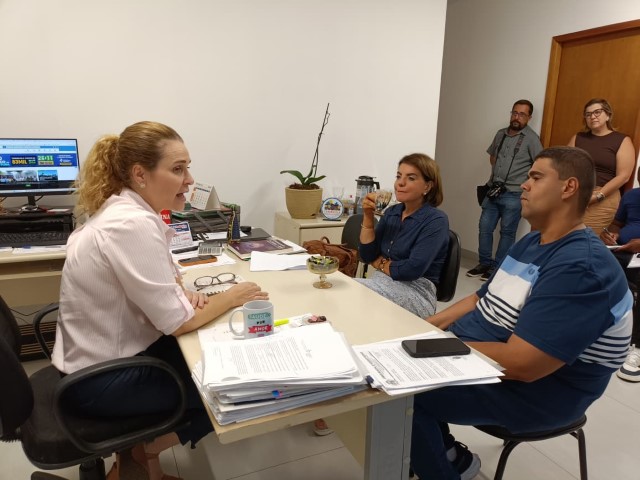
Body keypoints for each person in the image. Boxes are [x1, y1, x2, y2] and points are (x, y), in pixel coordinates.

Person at [51, 121, 269, 480]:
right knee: (236, 380)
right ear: (140, 174)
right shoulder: (130, 224)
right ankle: (148, 449)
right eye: (178, 169)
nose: (190, 180)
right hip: (97, 383)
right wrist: (233, 296)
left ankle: (141, 458)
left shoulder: (125, 211)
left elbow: (151, 285)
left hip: (95, 364)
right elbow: (180, 322)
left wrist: (179, 293)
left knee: (213, 349)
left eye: (188, 168)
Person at [410, 147, 632, 480]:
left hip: (540, 393)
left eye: (536, 177)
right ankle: (449, 457)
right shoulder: (531, 242)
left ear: (569, 187)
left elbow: (522, 365)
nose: (524, 185)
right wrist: (421, 329)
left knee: (403, 393)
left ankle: (439, 466)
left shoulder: (582, 267)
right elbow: (478, 299)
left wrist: (437, 349)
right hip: (488, 361)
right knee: (397, 370)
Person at [356, 153, 449, 318]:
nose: (400, 183)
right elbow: (367, 255)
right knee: (345, 290)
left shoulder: (436, 220)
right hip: (381, 282)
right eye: (399, 176)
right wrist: (368, 216)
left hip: (417, 293)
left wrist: (379, 263)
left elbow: (411, 269)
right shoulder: (392, 212)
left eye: (411, 178)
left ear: (427, 187)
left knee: (352, 291)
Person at [467, 100, 543, 282]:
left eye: (522, 114)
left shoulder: (532, 139)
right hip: (493, 190)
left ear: (529, 117)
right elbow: (493, 157)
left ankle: (497, 268)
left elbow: (539, 164)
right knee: (484, 228)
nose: (517, 117)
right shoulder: (500, 134)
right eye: (514, 113)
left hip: (514, 194)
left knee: (507, 232)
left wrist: (526, 182)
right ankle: (483, 263)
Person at [568, 98, 635, 236]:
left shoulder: (622, 140)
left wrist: (597, 196)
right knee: (563, 238)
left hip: (604, 197)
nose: (592, 116)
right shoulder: (578, 138)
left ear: (608, 115)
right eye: (588, 114)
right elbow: (564, 166)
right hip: (575, 194)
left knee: (586, 240)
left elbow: (624, 176)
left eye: (597, 112)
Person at [600, 169, 640, 382]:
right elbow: (617, 223)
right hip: (622, 250)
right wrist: (610, 234)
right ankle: (599, 332)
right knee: (596, 275)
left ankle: (636, 347)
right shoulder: (632, 196)